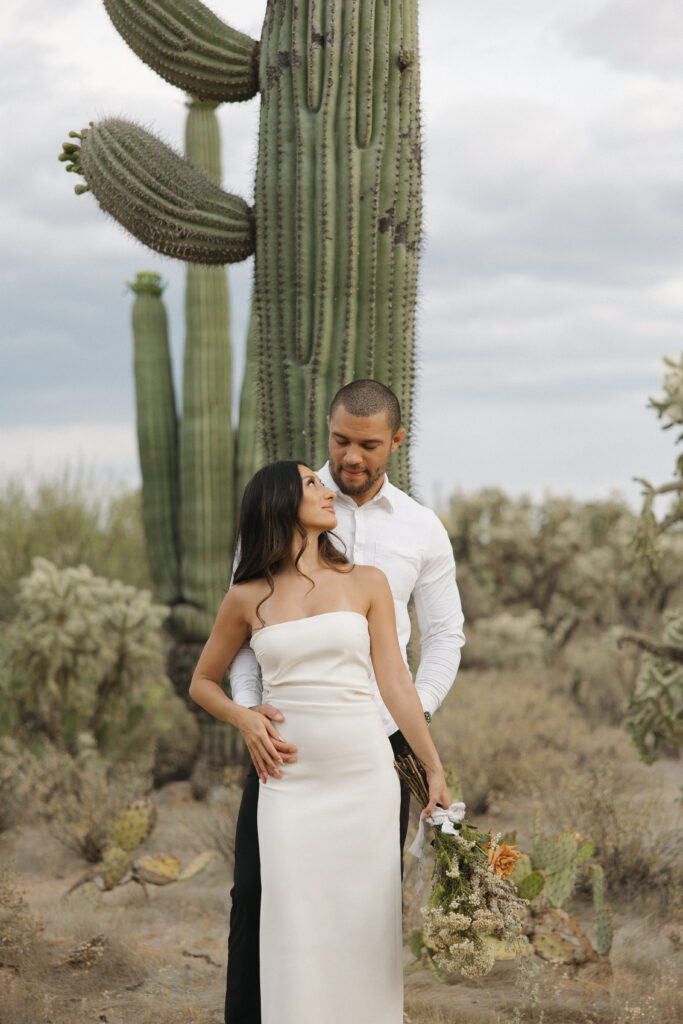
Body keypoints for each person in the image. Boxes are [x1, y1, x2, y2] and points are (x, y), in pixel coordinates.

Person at [226, 379, 465, 1023]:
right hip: (281, 743)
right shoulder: (281, 505)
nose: (350, 457)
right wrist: (253, 716)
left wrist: (412, 717)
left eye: (366, 445)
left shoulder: (420, 528)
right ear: (327, 427)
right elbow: (246, 638)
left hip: (379, 746)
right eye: (339, 441)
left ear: (395, 441)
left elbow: (443, 637)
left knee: (364, 904)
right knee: (256, 892)